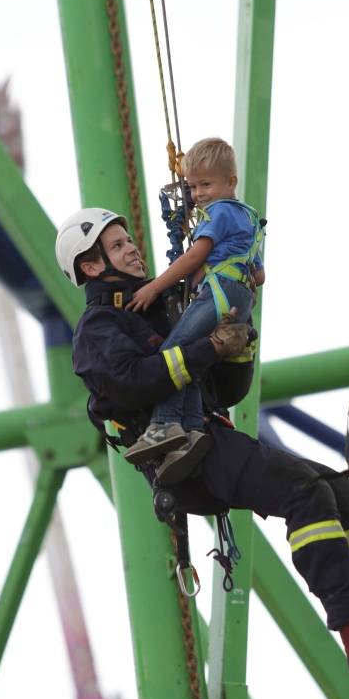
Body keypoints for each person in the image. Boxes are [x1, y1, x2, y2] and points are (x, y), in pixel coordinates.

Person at [56, 207, 349, 686]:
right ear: (91, 266)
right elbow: (135, 383)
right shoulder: (99, 329)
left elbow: (226, 391)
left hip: (204, 441)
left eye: (127, 241)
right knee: (303, 491)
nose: (132, 249)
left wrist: (235, 341)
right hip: (178, 457)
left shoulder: (158, 311)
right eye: (118, 246)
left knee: (344, 496)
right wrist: (205, 348)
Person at [120, 138, 266, 484]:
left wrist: (154, 287)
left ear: (230, 182)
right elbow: (259, 274)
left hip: (218, 291)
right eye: (193, 186)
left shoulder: (219, 213)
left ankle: (165, 425)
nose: (198, 194)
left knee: (175, 353)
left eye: (206, 185)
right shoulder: (248, 218)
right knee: (193, 363)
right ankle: (191, 430)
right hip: (239, 294)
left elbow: (194, 257)